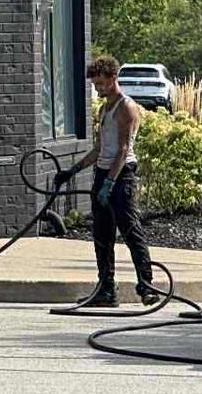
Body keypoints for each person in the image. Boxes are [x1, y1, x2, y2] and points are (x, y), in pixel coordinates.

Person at [60, 54, 158, 307]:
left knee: (130, 230)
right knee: (102, 235)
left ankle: (147, 286)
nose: (99, 89)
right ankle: (105, 290)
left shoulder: (126, 107)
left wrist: (110, 183)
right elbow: (99, 149)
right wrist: (72, 171)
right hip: (104, 172)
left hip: (121, 174)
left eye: (101, 84)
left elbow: (124, 149)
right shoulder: (104, 108)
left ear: (113, 78)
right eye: (95, 86)